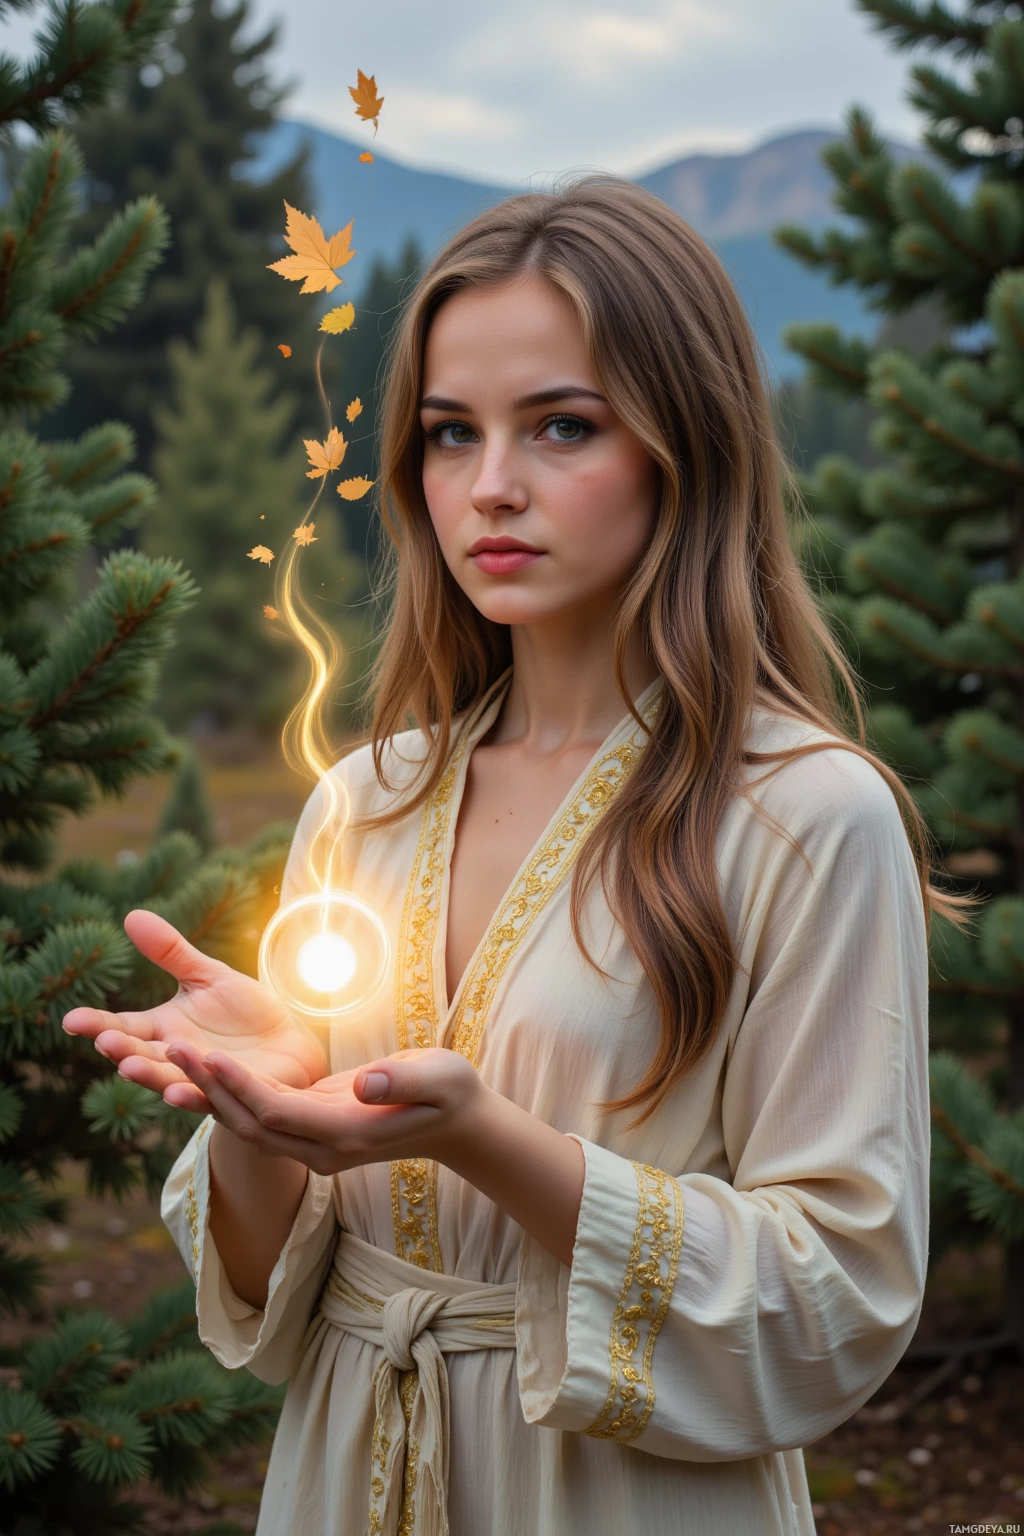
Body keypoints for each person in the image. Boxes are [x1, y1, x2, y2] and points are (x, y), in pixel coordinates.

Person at [63, 176, 963, 1536]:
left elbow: (837, 1290)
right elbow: (272, 1299)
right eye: (446, 433)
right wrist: (256, 1118)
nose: (490, 487)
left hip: (622, 1493)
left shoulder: (804, 815)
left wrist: (491, 1143)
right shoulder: (364, 803)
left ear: (687, 443)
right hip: (347, 1476)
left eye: (561, 427)